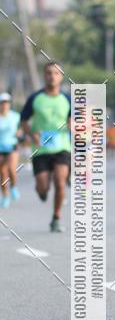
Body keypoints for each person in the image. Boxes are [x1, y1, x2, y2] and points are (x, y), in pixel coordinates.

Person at [20, 62, 71, 232]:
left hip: (62, 147)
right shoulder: (35, 98)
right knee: (43, 188)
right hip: (40, 149)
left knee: (60, 183)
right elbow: (24, 120)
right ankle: (41, 191)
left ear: (61, 77)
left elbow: (76, 121)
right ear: (44, 75)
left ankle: (56, 218)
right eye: (49, 73)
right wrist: (31, 133)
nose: (52, 76)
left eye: (56, 73)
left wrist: (74, 125)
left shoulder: (67, 99)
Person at [0, 92, 21, 208]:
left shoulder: (15, 116)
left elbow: (21, 128)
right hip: (0, 147)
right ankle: (5, 196)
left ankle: (13, 186)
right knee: (2, 173)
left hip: (12, 146)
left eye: (6, 103)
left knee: (11, 169)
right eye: (2, 103)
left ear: (9, 104)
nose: (4, 105)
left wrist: (20, 133)